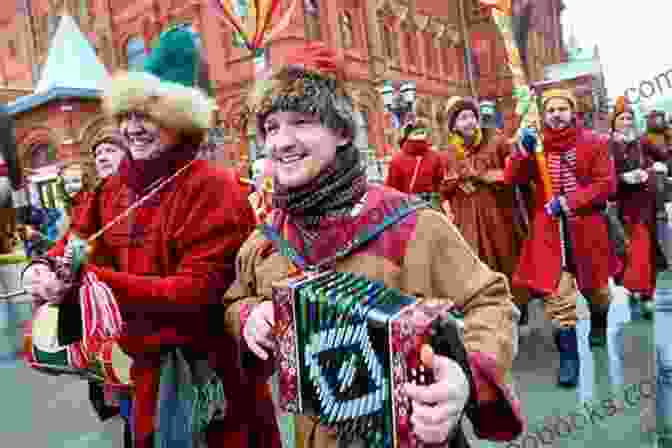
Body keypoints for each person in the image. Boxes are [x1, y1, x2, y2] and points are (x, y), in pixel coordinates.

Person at [224, 42, 523, 448]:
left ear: (343, 132)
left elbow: (490, 301)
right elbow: (235, 301)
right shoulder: (266, 241)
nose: (281, 142)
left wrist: (464, 375)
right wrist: (249, 317)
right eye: (271, 127)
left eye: (301, 122)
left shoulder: (412, 225)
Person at [23, 27, 280, 448]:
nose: (133, 128)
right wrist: (44, 270)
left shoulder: (215, 189)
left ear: (181, 119)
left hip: (216, 388)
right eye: (125, 116)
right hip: (144, 382)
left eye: (148, 116)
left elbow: (195, 294)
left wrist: (90, 284)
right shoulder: (111, 189)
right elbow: (73, 245)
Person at [504, 88, 616, 387]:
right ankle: (569, 359)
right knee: (558, 297)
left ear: (572, 111)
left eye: (561, 108)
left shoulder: (594, 142)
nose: (556, 114)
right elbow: (512, 178)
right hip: (550, 230)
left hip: (586, 228)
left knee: (597, 291)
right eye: (550, 110)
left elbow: (606, 184)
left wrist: (569, 202)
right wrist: (521, 152)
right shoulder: (538, 145)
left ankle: (599, 323)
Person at [440, 96, 529, 321]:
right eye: (462, 118)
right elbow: (443, 189)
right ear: (453, 126)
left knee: (506, 257)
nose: (469, 122)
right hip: (468, 218)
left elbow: (513, 172)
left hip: (498, 214)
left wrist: (485, 176)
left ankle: (518, 304)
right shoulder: (449, 152)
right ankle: (489, 310)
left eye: (471, 116)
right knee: (477, 263)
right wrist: (454, 181)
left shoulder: (495, 140)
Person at [609, 96, 665, 320]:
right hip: (622, 205)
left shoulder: (642, 142)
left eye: (630, 117)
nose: (627, 121)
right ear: (614, 122)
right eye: (622, 118)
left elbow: (664, 158)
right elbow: (604, 177)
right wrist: (623, 178)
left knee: (646, 246)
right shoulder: (608, 145)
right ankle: (637, 290)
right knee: (632, 248)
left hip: (647, 202)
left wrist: (653, 169)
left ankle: (646, 293)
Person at [384, 103, 444, 210]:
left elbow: (391, 192)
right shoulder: (435, 156)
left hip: (416, 209)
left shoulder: (396, 160)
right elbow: (391, 192)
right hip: (421, 209)